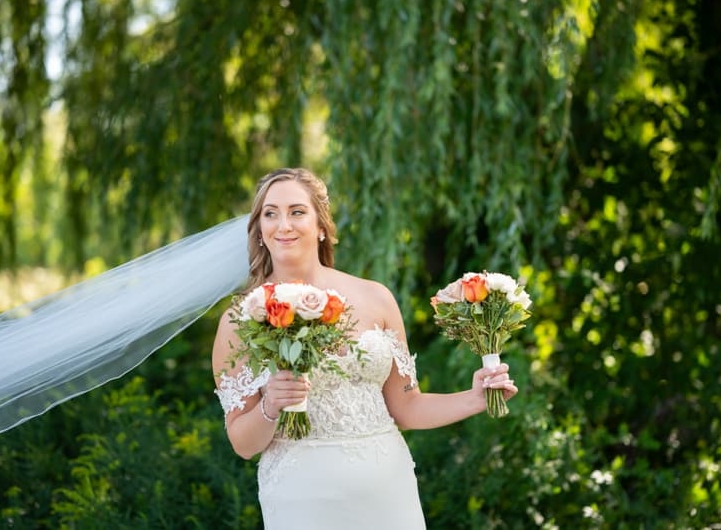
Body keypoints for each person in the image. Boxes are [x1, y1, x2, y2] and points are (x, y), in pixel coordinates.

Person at [212, 168, 518, 529]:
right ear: (260, 230)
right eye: (271, 213)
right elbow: (243, 443)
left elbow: (407, 406)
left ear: (321, 225)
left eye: (297, 211)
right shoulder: (240, 319)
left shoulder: (376, 297)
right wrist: (271, 405)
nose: (284, 224)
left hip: (388, 489)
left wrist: (476, 397)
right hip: (302, 495)